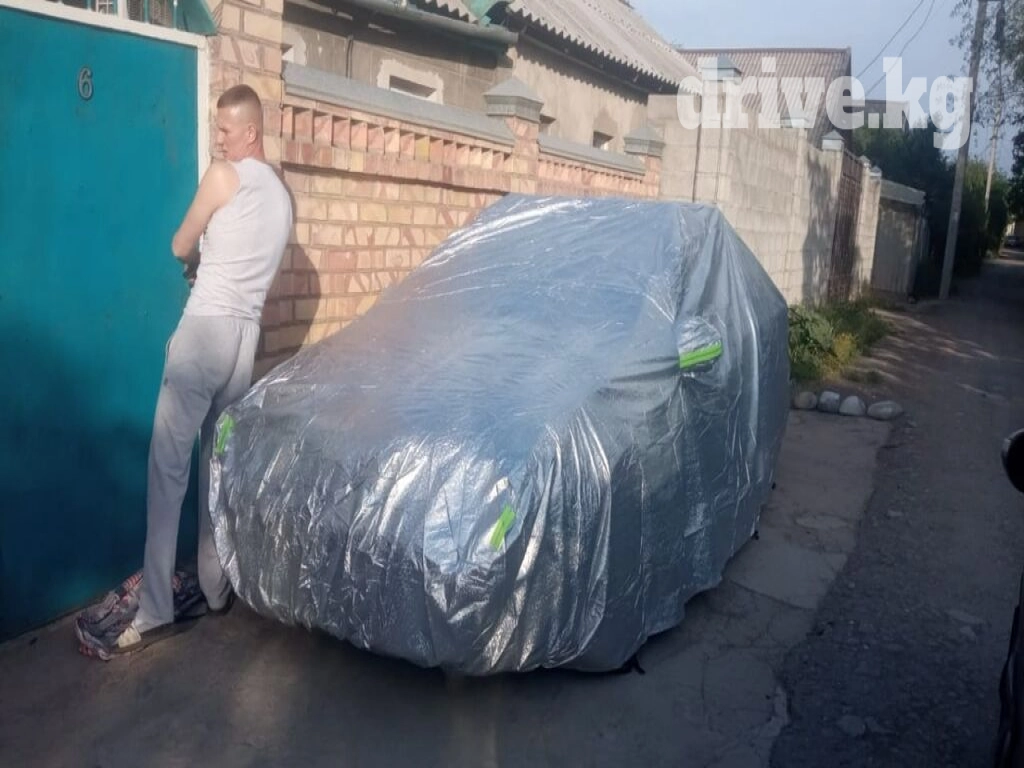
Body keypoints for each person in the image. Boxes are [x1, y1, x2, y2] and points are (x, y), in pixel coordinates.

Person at [113, 84, 293, 653]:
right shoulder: (282, 198)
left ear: (251, 132)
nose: (218, 139)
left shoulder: (223, 175)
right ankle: (216, 589)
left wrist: (196, 258)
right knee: (216, 465)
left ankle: (155, 611)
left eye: (225, 130)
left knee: (168, 469)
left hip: (205, 332)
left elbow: (178, 244)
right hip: (245, 340)